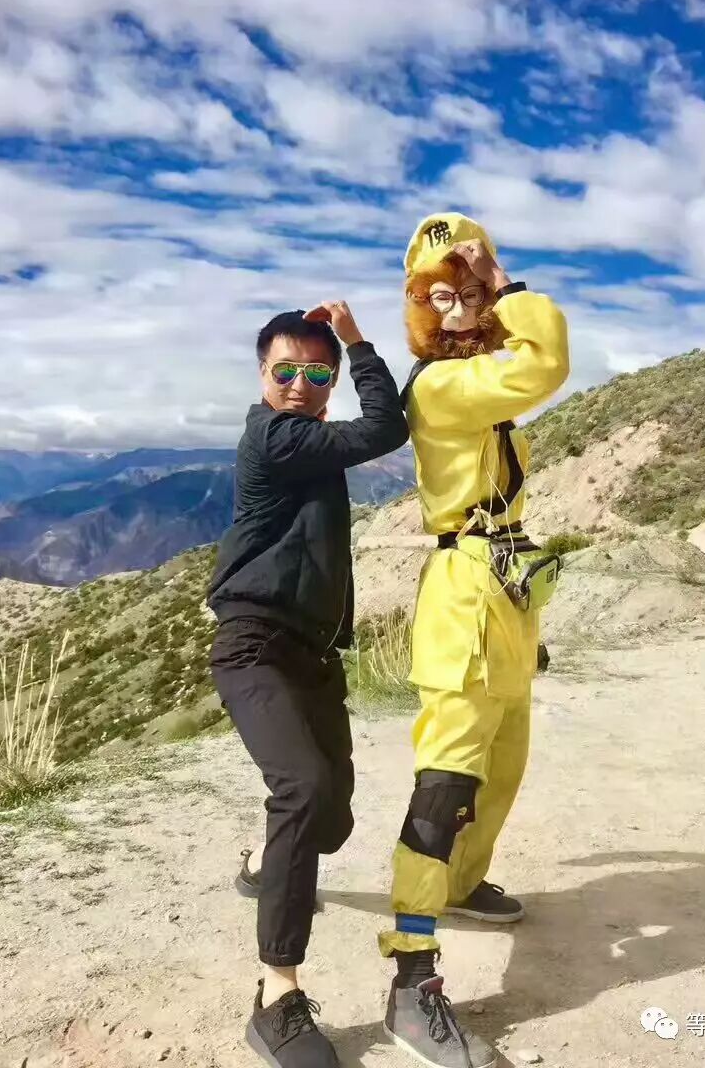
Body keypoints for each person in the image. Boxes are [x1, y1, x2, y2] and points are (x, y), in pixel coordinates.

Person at [378, 214, 570, 1068]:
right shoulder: (439, 387)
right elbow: (544, 364)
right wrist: (504, 284)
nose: (457, 310)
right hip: (464, 599)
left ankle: (457, 885)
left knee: (504, 768)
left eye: (467, 293)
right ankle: (410, 980)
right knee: (446, 786)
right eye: (440, 297)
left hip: (505, 596)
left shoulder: (476, 380)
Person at [207, 303, 409, 1068]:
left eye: (316, 373)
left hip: (314, 657)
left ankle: (266, 866)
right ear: (262, 374)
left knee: (329, 818)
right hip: (253, 645)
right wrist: (356, 342)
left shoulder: (308, 440)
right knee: (303, 788)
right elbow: (385, 428)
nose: (298, 384)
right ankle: (277, 996)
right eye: (284, 370)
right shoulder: (277, 436)